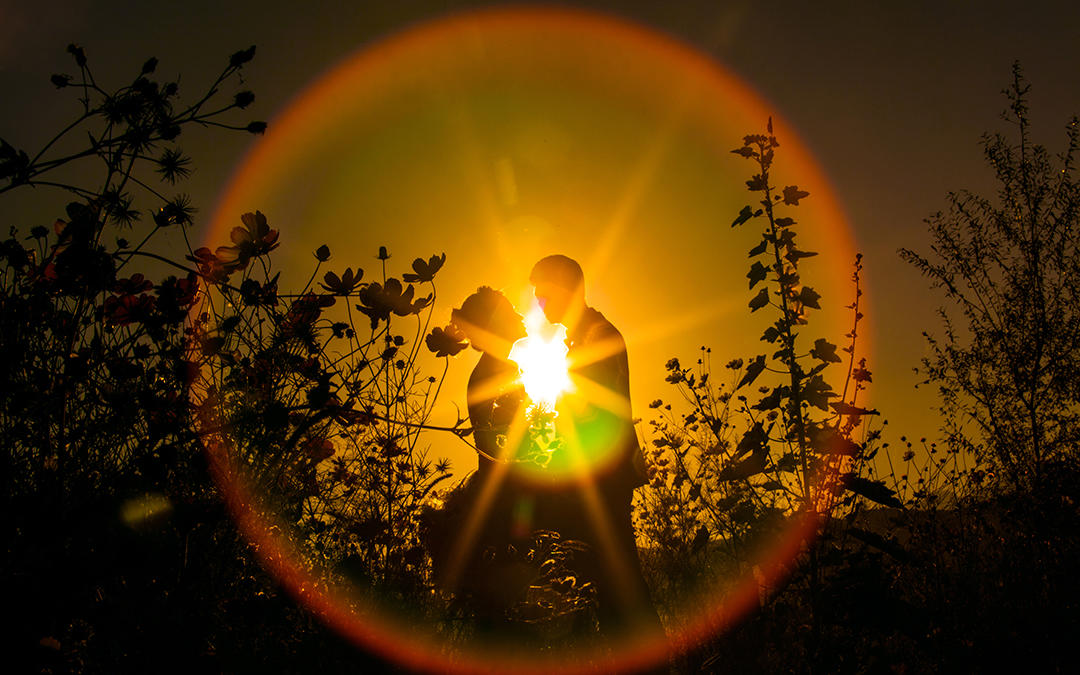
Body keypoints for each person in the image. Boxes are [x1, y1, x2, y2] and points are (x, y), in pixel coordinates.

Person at [529, 254, 665, 645]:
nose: (539, 304)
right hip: (600, 477)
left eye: (545, 295)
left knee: (620, 587)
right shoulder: (587, 337)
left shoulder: (597, 338)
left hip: (602, 480)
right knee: (607, 587)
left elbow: (597, 419)